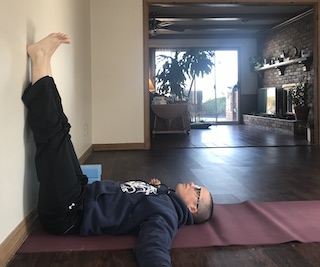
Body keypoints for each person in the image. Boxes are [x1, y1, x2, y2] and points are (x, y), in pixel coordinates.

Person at [22, 33, 214, 267]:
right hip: (82, 194)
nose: (193, 184)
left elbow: (153, 247)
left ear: (192, 208)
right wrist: (152, 189)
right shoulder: (164, 198)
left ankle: (39, 57)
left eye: (197, 191)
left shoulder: (166, 216)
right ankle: (44, 62)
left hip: (68, 213)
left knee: (54, 138)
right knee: (62, 130)